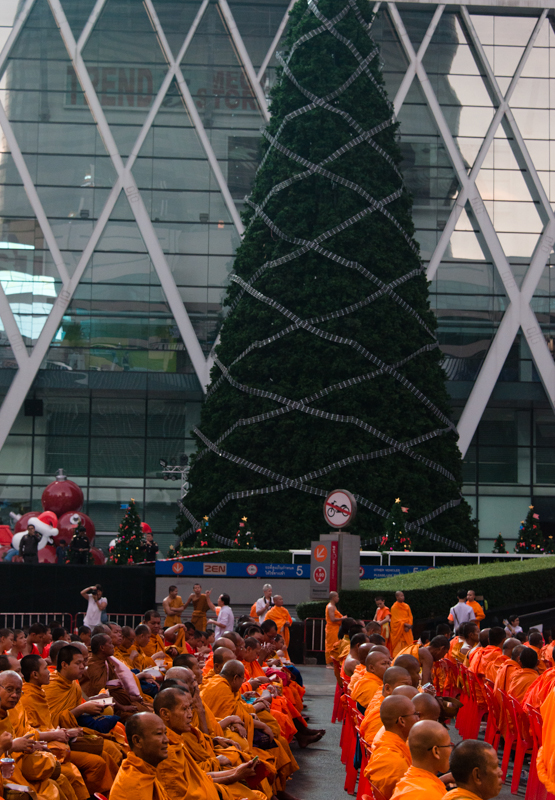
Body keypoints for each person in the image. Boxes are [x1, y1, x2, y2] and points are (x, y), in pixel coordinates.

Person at [19, 653, 113, 797]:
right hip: (44, 748)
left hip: (59, 740)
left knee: (107, 751)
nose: (83, 666)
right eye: (45, 669)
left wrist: (61, 732)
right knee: (91, 764)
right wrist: (59, 733)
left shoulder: (41, 691)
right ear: (35, 674)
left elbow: (47, 723)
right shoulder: (27, 697)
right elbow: (28, 732)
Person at [365, 694, 417, 799]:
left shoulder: (386, 742)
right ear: (402, 721)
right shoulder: (396, 762)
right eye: (416, 714)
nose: (418, 719)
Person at [110, 712, 170, 800]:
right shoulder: (135, 786)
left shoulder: (145, 769)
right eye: (159, 733)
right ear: (137, 741)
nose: (166, 740)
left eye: (165, 733)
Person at [390, 720, 452, 800]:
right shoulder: (430, 795)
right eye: (448, 745)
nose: (451, 750)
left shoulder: (409, 781)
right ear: (436, 751)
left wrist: (443, 780)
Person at [390, 591, 413, 656]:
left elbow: (410, 617)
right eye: (401, 596)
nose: (403, 597)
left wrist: (408, 626)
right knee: (398, 652)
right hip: (399, 632)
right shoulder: (394, 607)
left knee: (409, 649)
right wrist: (405, 624)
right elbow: (395, 621)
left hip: (407, 630)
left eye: (403, 595)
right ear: (397, 597)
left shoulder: (406, 606)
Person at [325, 591, 345, 667]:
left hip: (335, 628)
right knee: (331, 645)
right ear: (333, 597)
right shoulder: (330, 607)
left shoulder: (333, 606)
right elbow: (332, 619)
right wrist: (342, 618)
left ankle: (334, 662)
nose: (338, 598)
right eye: (337, 597)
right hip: (331, 629)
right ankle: (329, 663)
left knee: (336, 644)